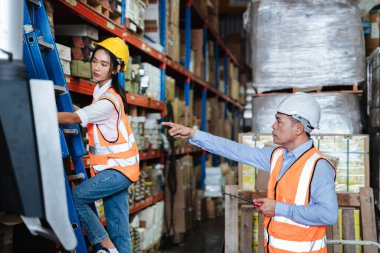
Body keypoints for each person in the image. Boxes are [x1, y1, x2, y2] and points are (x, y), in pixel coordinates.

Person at [162, 92, 338, 253]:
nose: (273, 125)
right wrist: (193, 134)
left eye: (279, 121)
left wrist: (278, 208)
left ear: (298, 128)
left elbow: (328, 214)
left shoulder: (318, 166)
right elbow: (235, 150)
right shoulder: (277, 156)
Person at [58, 37, 139, 253]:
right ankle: (113, 247)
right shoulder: (102, 93)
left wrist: (37, 111)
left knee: (76, 198)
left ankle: (105, 245)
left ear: (115, 69)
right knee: (119, 230)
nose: (96, 68)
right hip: (119, 169)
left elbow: (76, 119)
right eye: (95, 61)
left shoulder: (108, 101)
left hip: (117, 170)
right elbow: (83, 114)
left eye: (104, 64)